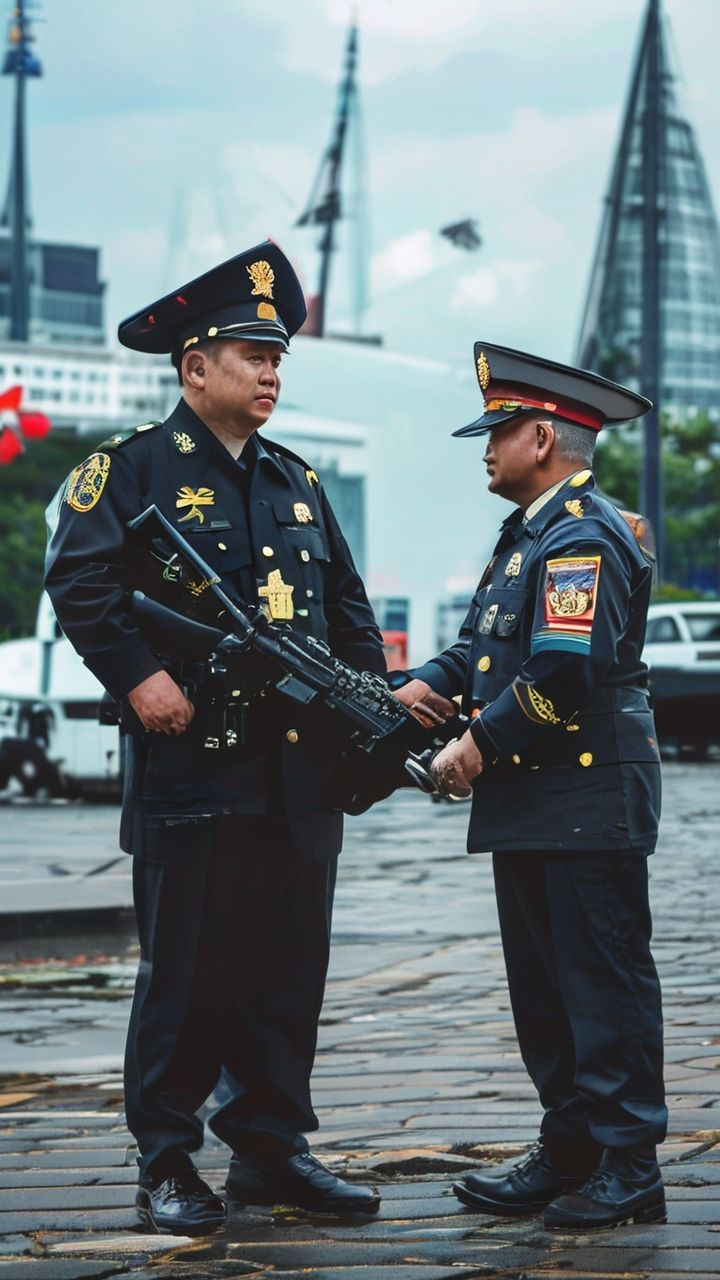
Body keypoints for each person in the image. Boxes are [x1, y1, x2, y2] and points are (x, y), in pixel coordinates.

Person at [45, 242, 383, 1234]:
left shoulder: (296, 480)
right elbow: (81, 581)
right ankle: (166, 1161)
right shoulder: (127, 470)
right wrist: (138, 675)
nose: (272, 374)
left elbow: (347, 608)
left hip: (299, 777)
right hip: (193, 768)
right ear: (195, 368)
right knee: (190, 977)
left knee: (288, 974)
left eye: (278, 359)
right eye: (253, 357)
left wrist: (372, 701)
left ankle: (271, 1152)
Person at [394, 342, 666, 1231]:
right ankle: (572, 1147)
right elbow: (483, 648)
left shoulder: (582, 536)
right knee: (546, 995)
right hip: (539, 802)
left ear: (542, 438)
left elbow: (560, 672)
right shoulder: (529, 536)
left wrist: (475, 745)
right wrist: (421, 686)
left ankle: (629, 1163)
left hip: (585, 800)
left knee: (601, 988)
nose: (485, 448)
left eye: (498, 431)